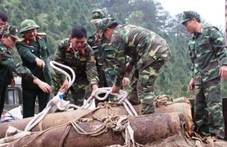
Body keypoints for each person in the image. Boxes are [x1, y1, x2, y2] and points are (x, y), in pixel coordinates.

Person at [97, 18, 171, 114]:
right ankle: (133, 102)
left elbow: (120, 65)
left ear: (107, 30)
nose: (106, 39)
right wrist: (131, 64)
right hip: (154, 50)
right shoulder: (124, 29)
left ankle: (149, 118)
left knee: (144, 85)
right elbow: (138, 47)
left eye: (104, 36)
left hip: (154, 51)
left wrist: (117, 85)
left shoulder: (116, 37)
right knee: (136, 78)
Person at [181, 11, 227, 139]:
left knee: (214, 108)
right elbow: (194, 62)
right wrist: (192, 78)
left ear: (194, 20)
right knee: (199, 109)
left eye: (186, 23)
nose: (185, 27)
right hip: (199, 79)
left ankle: (218, 137)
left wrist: (224, 64)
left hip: (212, 77)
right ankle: (202, 136)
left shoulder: (210, 32)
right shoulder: (192, 41)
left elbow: (222, 48)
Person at [51, 26, 99, 106]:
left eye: (82, 42)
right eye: (77, 42)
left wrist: (94, 84)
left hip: (79, 79)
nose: (80, 44)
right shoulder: (63, 46)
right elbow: (57, 63)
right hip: (63, 77)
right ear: (70, 38)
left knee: (79, 104)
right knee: (59, 102)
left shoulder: (88, 50)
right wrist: (64, 78)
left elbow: (91, 67)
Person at [16, 19, 52, 118]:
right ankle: (28, 132)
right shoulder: (20, 43)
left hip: (45, 78)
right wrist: (36, 59)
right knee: (28, 110)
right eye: (28, 32)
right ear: (23, 33)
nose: (32, 33)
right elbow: (26, 54)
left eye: (33, 30)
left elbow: (46, 53)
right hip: (30, 81)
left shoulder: (43, 37)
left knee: (45, 109)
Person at [88, 9, 118, 106]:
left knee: (116, 104)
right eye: (94, 23)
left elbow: (123, 57)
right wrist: (93, 82)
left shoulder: (113, 36)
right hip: (99, 79)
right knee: (100, 106)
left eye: (99, 22)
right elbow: (90, 62)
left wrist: (125, 76)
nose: (96, 25)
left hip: (114, 78)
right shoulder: (91, 40)